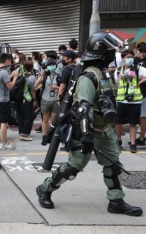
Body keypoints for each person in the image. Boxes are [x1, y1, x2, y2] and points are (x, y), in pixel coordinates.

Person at [36, 31, 143, 216]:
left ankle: (116, 200)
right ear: (100, 52)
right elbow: (83, 108)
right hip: (87, 129)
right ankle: (45, 189)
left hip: (104, 129)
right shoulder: (88, 77)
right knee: (72, 168)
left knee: (113, 165)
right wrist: (85, 135)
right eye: (109, 49)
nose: (113, 53)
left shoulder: (104, 73)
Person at [114, 49, 146, 153]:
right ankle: (118, 141)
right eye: (128, 57)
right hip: (122, 100)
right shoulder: (118, 70)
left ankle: (133, 143)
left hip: (135, 101)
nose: (130, 59)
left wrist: (139, 81)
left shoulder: (138, 68)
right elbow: (116, 82)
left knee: (133, 123)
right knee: (118, 122)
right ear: (123, 59)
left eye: (132, 57)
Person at [0, 53, 18, 150]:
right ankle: (4, 143)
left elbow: (2, 81)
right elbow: (10, 87)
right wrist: (15, 77)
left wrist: (10, 76)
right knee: (4, 122)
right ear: (6, 60)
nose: (10, 62)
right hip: (4, 100)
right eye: (9, 60)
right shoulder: (4, 72)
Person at [35, 59, 60, 146]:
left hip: (55, 101)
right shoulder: (45, 76)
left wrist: (56, 87)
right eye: (50, 64)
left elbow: (62, 88)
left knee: (53, 121)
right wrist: (41, 75)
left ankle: (51, 136)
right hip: (45, 100)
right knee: (45, 120)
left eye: (53, 64)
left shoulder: (58, 76)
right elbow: (35, 85)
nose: (51, 66)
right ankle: (44, 137)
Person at [15, 60, 37, 141]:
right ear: (32, 68)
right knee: (29, 116)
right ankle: (25, 134)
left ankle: (21, 131)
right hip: (27, 98)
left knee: (20, 116)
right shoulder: (32, 77)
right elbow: (33, 90)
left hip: (18, 98)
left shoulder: (19, 75)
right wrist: (34, 100)